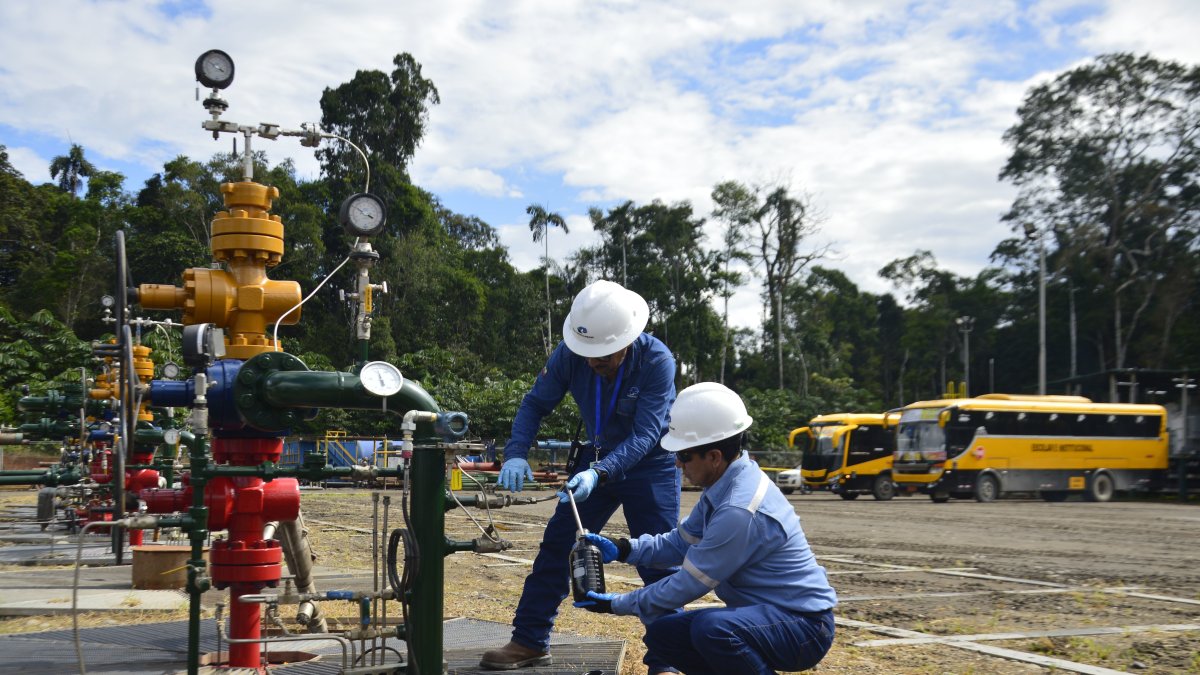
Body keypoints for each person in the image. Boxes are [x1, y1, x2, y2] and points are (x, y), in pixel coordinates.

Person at [480, 280, 682, 673]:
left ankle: (668, 659)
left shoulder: (657, 361)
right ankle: (529, 641)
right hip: (598, 455)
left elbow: (645, 435)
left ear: (627, 339)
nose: (592, 363)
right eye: (586, 353)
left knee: (658, 563)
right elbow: (535, 404)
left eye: (602, 356)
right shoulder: (570, 354)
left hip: (650, 464)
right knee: (558, 547)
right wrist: (516, 454)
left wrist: (599, 473)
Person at [575, 382, 837, 675]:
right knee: (663, 636)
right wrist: (625, 548)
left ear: (713, 456)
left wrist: (619, 603)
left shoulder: (738, 509)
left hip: (804, 627)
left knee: (712, 629)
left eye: (684, 455)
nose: (677, 463)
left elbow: (690, 583)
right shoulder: (723, 487)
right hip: (768, 616)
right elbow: (679, 543)